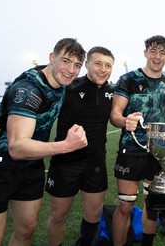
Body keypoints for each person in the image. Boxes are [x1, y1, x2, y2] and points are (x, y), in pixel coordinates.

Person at [0, 38, 88, 246]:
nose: (71, 70)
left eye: (77, 65)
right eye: (65, 61)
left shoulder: (60, 82)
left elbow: (10, 104)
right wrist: (67, 146)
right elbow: (17, 148)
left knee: (27, 229)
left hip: (31, 165)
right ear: (51, 58)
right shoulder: (29, 88)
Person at [110, 35, 165, 246]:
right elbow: (115, 114)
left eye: (162, 53)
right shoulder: (129, 79)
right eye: (153, 51)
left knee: (152, 206)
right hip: (131, 149)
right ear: (145, 53)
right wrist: (125, 121)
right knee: (125, 205)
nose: (157, 57)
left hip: (158, 152)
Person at [45, 46, 115, 246]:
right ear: (87, 65)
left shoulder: (112, 92)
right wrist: (1, 119)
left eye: (108, 65)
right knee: (58, 215)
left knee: (93, 214)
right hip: (65, 161)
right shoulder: (68, 87)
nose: (103, 69)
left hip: (95, 162)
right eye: (98, 63)